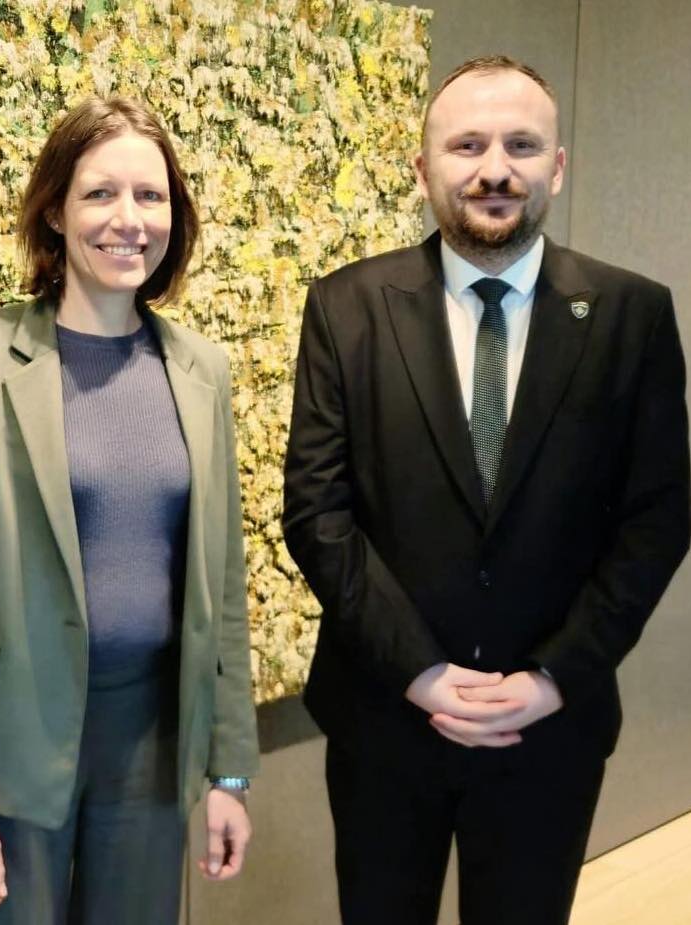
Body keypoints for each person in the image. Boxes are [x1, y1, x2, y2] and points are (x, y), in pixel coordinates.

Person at [283, 55, 689, 925]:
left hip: (550, 727)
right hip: (385, 719)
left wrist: (553, 676)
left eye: (521, 145)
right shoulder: (346, 308)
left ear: (557, 166)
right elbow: (317, 512)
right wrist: (421, 672)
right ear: (422, 167)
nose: (494, 168)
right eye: (466, 145)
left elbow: (656, 519)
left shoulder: (632, 315)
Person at [0, 97, 258, 925]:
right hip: (10, 740)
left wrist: (230, 771)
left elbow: (224, 590)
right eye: (100, 193)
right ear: (56, 211)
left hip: (152, 745)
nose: (128, 219)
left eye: (150, 195)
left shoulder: (200, 369)